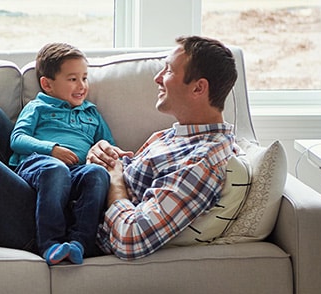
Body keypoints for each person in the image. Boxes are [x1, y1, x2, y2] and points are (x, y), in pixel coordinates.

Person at [86, 35, 239, 260]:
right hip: (67, 196)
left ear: (198, 88)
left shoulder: (203, 161)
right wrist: (102, 154)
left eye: (168, 71)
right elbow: (129, 179)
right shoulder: (177, 136)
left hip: (71, 228)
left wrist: (114, 181)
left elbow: (132, 238)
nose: (157, 78)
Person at [8, 43, 113, 265]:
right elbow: (17, 139)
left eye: (84, 78)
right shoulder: (38, 107)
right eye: (73, 79)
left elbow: (106, 145)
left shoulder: (91, 113)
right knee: (55, 169)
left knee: (96, 173)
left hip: (77, 171)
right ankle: (50, 243)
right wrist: (52, 149)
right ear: (47, 84)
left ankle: (79, 244)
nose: (82, 85)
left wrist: (112, 154)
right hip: (39, 166)